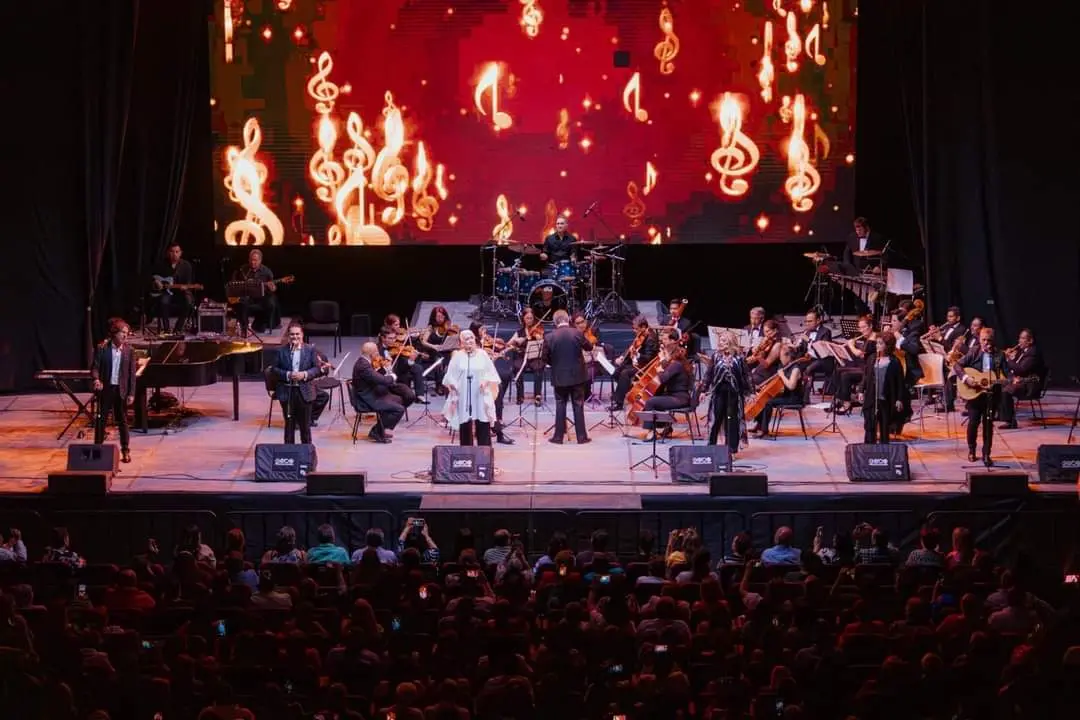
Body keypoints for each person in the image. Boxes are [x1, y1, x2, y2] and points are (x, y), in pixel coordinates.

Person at [954, 327, 1007, 463]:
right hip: (975, 394)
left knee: (988, 425)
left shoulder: (999, 355)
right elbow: (957, 366)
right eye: (983, 340)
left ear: (993, 341)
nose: (986, 343)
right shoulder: (974, 351)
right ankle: (972, 450)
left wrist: (1011, 380)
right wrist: (966, 378)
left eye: (989, 340)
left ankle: (986, 454)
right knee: (973, 423)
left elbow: (1006, 373)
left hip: (991, 395)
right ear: (979, 339)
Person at [443, 329, 501, 446]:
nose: (469, 341)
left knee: (482, 421)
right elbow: (449, 376)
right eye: (466, 339)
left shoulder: (483, 354)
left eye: (471, 338)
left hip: (480, 392)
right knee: (465, 424)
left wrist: (486, 381)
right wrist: (453, 384)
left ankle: (484, 452)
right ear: (461, 343)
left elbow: (491, 373)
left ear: (475, 339)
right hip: (464, 394)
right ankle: (466, 452)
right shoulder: (458, 356)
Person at [542, 309, 592, 445]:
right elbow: (589, 347)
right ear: (568, 319)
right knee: (578, 404)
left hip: (559, 376)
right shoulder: (577, 333)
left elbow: (544, 358)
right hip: (578, 375)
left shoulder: (549, 337)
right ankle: (582, 437)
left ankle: (558, 437)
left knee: (560, 404)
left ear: (555, 322)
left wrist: (555, 364)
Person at [271, 322, 326, 445]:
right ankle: (289, 453)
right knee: (289, 426)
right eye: (292, 334)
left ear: (302, 334)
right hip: (287, 392)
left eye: (297, 334)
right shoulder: (281, 351)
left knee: (305, 427)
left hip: (305, 392)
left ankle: (306, 453)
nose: (295, 337)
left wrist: (304, 374)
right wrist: (288, 374)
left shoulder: (310, 350)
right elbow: (274, 370)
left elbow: (317, 369)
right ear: (288, 336)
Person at [91, 317, 137, 463]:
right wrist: (96, 379)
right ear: (114, 333)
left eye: (127, 333)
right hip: (106, 389)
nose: (125, 336)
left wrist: (131, 393)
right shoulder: (102, 348)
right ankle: (97, 450)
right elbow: (95, 367)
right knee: (101, 420)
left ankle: (125, 450)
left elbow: (132, 375)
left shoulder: (129, 351)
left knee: (122, 421)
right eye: (122, 332)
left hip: (120, 390)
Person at [699, 329, 751, 453]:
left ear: (729, 342)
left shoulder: (739, 357)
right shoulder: (716, 356)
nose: (719, 343)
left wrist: (751, 392)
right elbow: (709, 374)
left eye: (722, 340)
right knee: (715, 418)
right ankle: (711, 446)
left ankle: (731, 449)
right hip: (719, 392)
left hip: (734, 394)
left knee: (732, 420)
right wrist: (703, 390)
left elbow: (747, 376)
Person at [639, 330, 693, 440]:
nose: (664, 356)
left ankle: (651, 432)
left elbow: (663, 378)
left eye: (665, 353)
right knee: (654, 397)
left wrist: (660, 368)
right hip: (674, 395)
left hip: (679, 398)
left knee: (651, 402)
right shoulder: (674, 362)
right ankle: (666, 427)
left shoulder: (677, 364)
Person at [352, 341, 408, 443]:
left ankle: (380, 429)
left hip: (370, 394)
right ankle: (376, 432)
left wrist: (385, 369)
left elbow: (375, 377)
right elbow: (382, 380)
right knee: (399, 409)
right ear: (371, 354)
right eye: (377, 352)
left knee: (398, 399)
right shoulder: (363, 366)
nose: (378, 354)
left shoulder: (364, 362)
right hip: (367, 400)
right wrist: (392, 376)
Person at [470, 322, 514, 444]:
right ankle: (497, 431)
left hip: (485, 379)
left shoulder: (483, 344)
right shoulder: (472, 346)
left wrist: (494, 357)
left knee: (497, 392)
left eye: (484, 329)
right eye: (481, 330)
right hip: (475, 382)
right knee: (489, 401)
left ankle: (497, 424)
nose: (484, 332)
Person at [861, 333, 905, 443]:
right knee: (870, 425)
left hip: (886, 399)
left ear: (888, 345)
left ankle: (884, 448)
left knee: (884, 426)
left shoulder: (894, 362)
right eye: (877, 343)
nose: (877, 345)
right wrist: (861, 390)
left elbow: (900, 382)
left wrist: (899, 399)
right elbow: (866, 376)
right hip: (871, 397)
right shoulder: (872, 358)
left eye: (880, 343)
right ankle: (869, 447)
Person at [610, 315, 659, 410]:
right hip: (636, 362)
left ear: (643, 327)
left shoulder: (651, 339)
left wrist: (638, 354)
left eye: (636, 329)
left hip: (644, 366)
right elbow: (631, 347)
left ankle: (619, 402)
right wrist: (622, 357)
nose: (634, 331)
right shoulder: (641, 335)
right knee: (616, 371)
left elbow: (648, 358)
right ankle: (623, 390)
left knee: (625, 373)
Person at [754, 346, 804, 438]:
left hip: (794, 398)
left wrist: (782, 375)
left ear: (788, 356)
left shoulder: (795, 369)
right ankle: (759, 425)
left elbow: (791, 386)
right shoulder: (786, 367)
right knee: (764, 398)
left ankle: (764, 431)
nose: (780, 359)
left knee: (767, 402)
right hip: (787, 396)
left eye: (781, 357)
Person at [999, 328, 1045, 429]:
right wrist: (1012, 357)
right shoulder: (1022, 351)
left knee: (1006, 391)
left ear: (1030, 341)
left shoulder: (1033, 352)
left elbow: (1021, 369)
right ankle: (1001, 415)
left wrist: (1008, 359)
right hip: (1022, 381)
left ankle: (1010, 422)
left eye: (1023, 338)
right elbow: (1015, 367)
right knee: (998, 385)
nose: (1019, 341)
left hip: (1030, 385)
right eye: (1020, 338)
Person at [831, 315, 876, 415]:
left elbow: (860, 354)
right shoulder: (868, 338)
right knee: (838, 370)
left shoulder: (873, 339)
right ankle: (840, 399)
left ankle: (847, 403)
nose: (862, 330)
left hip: (869, 371)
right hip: (864, 367)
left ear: (871, 326)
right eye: (860, 328)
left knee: (845, 375)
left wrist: (851, 345)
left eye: (864, 327)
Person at [379, 314, 425, 401]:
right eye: (396, 324)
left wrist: (410, 360)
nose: (393, 341)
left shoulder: (397, 339)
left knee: (417, 368)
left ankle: (419, 395)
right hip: (388, 376)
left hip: (400, 366)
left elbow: (401, 363)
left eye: (394, 338)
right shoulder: (380, 347)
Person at [151, 242, 195, 333]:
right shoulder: (161, 264)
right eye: (172, 251)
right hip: (166, 292)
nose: (174, 254)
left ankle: (178, 329)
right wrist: (156, 281)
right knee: (164, 302)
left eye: (177, 252)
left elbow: (188, 282)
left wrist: (185, 287)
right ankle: (166, 329)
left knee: (188, 302)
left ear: (180, 253)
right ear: (168, 253)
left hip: (180, 292)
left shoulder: (186, 265)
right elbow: (153, 276)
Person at [233, 248, 279, 334]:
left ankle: (260, 322)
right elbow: (235, 284)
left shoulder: (266, 271)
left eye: (255, 260)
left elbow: (273, 287)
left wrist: (272, 288)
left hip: (261, 298)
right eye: (251, 260)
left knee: (271, 303)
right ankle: (244, 326)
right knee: (240, 302)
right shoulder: (243, 269)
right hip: (247, 297)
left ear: (260, 260)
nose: (253, 262)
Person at [507, 307, 545, 404]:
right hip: (522, 357)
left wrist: (539, 339)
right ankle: (520, 396)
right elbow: (508, 344)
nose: (529, 320)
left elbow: (544, 344)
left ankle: (537, 396)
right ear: (523, 319)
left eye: (531, 318)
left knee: (539, 367)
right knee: (517, 367)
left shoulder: (538, 330)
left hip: (534, 357)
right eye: (527, 318)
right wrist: (516, 340)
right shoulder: (519, 332)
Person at [417, 306, 457, 393]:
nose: (441, 319)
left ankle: (452, 383)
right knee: (439, 361)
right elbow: (424, 342)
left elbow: (454, 339)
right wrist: (434, 346)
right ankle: (439, 384)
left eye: (442, 316)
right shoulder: (431, 327)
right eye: (438, 316)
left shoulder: (448, 326)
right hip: (434, 351)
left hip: (446, 350)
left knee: (456, 357)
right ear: (434, 317)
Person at [794, 308, 834, 385]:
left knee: (808, 369)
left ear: (818, 320)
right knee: (795, 367)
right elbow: (802, 349)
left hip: (822, 360)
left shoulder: (826, 331)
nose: (807, 324)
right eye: (806, 321)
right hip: (809, 359)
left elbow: (823, 351)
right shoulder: (807, 332)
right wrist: (795, 347)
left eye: (810, 321)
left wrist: (809, 340)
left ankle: (806, 390)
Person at [747, 319, 782, 385]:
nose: (766, 334)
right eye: (764, 332)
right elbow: (757, 358)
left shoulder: (777, 345)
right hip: (759, 372)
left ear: (775, 330)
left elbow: (766, 364)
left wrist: (758, 357)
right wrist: (751, 358)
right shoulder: (768, 342)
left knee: (744, 381)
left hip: (767, 375)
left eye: (767, 331)